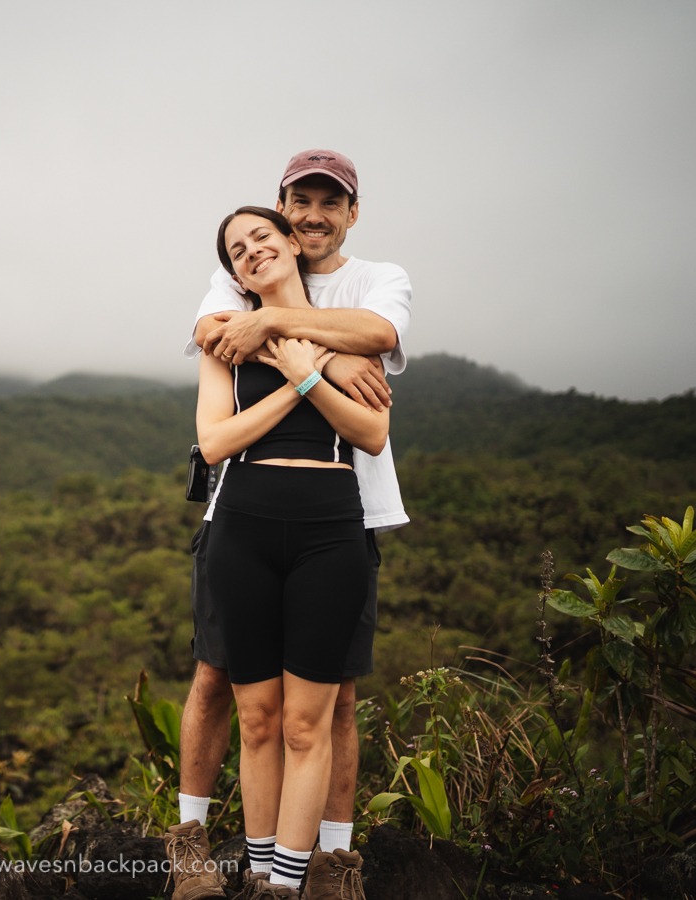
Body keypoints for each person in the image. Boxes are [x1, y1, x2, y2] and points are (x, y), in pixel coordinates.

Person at [163, 151, 410, 900]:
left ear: (350, 213)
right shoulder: (235, 282)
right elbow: (214, 335)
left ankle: (320, 870)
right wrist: (313, 363)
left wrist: (292, 344)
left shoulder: (377, 279)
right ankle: (202, 847)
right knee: (232, 692)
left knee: (328, 706)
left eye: (327, 202)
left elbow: (375, 352)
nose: (308, 216)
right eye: (297, 201)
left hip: (343, 514)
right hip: (240, 515)